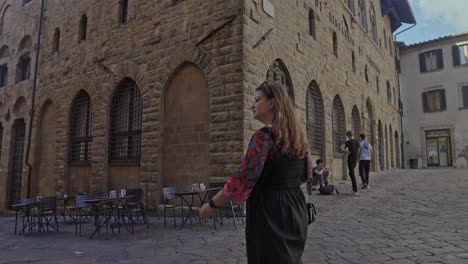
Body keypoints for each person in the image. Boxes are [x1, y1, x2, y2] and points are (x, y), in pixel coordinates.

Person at [199, 81, 311, 264]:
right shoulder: (299, 137)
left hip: (270, 213)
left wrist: (211, 205)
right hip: (296, 211)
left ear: (272, 103)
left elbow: (241, 178)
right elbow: (305, 176)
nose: (253, 104)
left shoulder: (263, 137)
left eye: (258, 99)